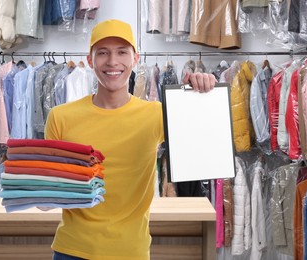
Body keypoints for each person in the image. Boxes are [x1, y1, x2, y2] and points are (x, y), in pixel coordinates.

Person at [44, 19, 216, 260]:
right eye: (102, 53)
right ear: (90, 60)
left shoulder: (156, 114)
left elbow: (206, 147)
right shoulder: (60, 118)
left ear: (135, 59)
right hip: (72, 251)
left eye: (122, 52)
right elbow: (45, 197)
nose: (113, 62)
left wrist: (200, 96)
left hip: (130, 252)